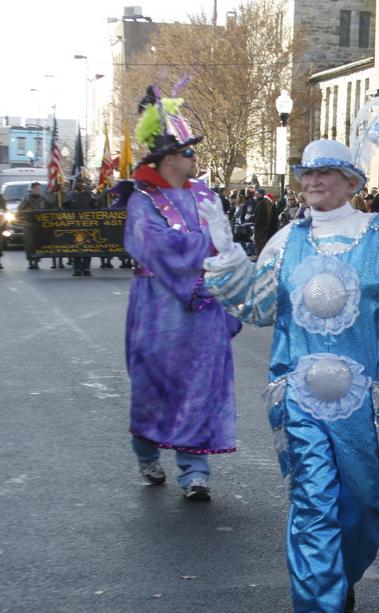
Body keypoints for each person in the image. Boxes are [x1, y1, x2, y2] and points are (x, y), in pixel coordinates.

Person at [202, 139, 379, 613]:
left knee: (363, 505)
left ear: (353, 182)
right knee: (312, 500)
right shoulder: (285, 240)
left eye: (325, 173)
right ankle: (317, 612)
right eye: (306, 173)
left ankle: (341, 575)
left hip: (365, 406)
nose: (311, 181)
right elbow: (255, 307)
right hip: (301, 399)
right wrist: (227, 254)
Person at [113, 86, 240, 501]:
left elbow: (225, 241)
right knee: (153, 384)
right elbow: (152, 244)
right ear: (168, 159)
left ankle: (194, 471)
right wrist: (206, 244)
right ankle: (146, 452)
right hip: (158, 308)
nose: (194, 159)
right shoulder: (142, 200)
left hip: (203, 311)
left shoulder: (205, 195)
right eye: (188, 152)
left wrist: (227, 253)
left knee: (200, 383)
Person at [63, 180, 98, 276]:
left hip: (87, 225)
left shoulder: (88, 195)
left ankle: (86, 268)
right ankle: (77, 268)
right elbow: (64, 207)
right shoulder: (71, 195)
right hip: (75, 225)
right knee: (76, 247)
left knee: (88, 247)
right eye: (79, 183)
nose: (80, 185)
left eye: (81, 183)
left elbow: (94, 206)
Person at [18, 181, 50, 270]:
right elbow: (20, 210)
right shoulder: (27, 199)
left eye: (38, 189)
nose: (37, 190)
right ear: (31, 189)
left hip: (39, 225)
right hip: (29, 224)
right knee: (29, 243)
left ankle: (37, 261)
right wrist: (27, 212)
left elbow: (49, 208)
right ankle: (30, 260)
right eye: (35, 188)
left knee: (38, 243)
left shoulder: (43, 199)